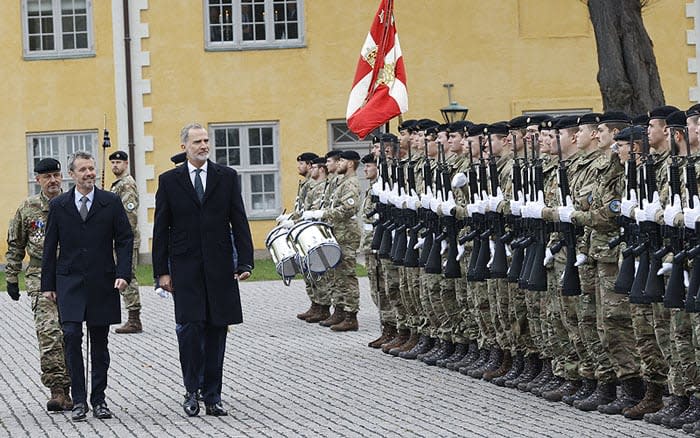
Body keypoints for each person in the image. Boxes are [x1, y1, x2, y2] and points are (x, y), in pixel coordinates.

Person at [152, 122, 254, 417]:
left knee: (216, 330)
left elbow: (239, 220)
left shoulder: (226, 177)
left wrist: (244, 261)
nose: (203, 146)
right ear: (184, 146)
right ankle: (191, 389)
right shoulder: (170, 181)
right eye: (197, 141)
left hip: (220, 267)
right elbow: (161, 229)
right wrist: (162, 272)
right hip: (185, 268)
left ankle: (213, 394)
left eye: (206, 140)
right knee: (190, 329)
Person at [41, 151, 134, 422]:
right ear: (72, 174)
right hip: (69, 280)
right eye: (83, 170)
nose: (89, 173)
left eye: (92, 168)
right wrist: (48, 283)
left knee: (99, 342)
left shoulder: (111, 202)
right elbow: (50, 246)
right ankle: (79, 400)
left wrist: (123, 273)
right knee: (71, 336)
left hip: (102, 280)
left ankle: (99, 399)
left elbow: (125, 239)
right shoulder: (59, 205)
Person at [5, 158, 72, 412]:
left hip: (71, 277)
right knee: (49, 333)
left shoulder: (73, 204)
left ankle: (74, 388)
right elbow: (16, 245)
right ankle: (57, 389)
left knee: (71, 334)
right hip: (39, 276)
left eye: (57, 175)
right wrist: (11, 277)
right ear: (38, 180)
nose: (53, 181)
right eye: (47, 177)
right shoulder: (29, 207)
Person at [108, 150, 143, 334]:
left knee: (127, 276)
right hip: (117, 239)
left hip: (126, 239)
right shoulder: (118, 184)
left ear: (126, 164)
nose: (115, 165)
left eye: (118, 162)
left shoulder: (127, 185)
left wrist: (123, 238)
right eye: (112, 162)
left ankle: (134, 319)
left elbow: (130, 214)